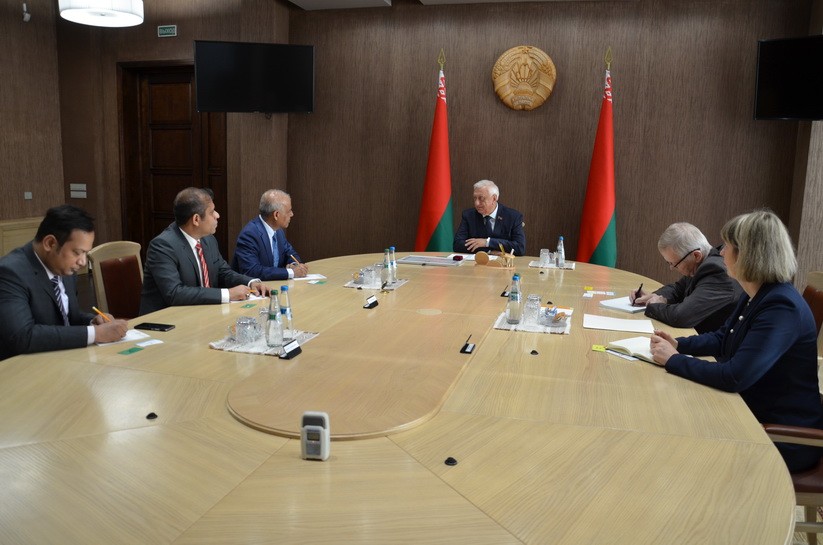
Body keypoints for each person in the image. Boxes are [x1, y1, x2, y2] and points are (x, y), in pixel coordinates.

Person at [649, 210, 823, 473]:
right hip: (750, 413)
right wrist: (679, 345)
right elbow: (723, 338)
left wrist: (674, 360)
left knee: (675, 434)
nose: (721, 252)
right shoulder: (758, 292)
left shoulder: (781, 306)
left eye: (727, 246)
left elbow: (734, 376)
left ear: (748, 254)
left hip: (782, 436)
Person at [0, 205, 128, 360]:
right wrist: (95, 334)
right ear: (50, 243)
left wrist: (92, 321)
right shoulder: (10, 272)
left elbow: (66, 318)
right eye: (77, 252)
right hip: (24, 367)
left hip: (64, 358)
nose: (83, 262)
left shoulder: (63, 266)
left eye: (86, 253)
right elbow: (22, 336)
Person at [139, 187, 270, 315]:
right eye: (212, 212)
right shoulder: (163, 246)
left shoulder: (208, 239)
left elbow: (223, 272)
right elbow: (174, 293)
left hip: (201, 313)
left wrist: (251, 282)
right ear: (196, 219)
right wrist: (228, 294)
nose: (217, 215)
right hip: (166, 320)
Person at [630, 222, 742, 333]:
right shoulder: (702, 264)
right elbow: (678, 289)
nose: (671, 268)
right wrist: (654, 296)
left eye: (674, 264)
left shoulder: (716, 271)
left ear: (696, 255)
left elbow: (681, 317)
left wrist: (655, 305)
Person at [232, 189, 308, 281]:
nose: (292, 214)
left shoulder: (278, 230)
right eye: (289, 211)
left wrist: (294, 265)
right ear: (276, 215)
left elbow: (290, 253)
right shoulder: (249, 234)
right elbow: (252, 271)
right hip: (253, 288)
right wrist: (291, 272)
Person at [453, 179, 526, 256]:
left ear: (494, 198)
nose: (476, 203)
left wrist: (488, 242)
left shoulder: (513, 216)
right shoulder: (469, 215)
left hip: (504, 262)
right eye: (475, 198)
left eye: (481, 198)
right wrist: (489, 251)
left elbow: (520, 247)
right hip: (478, 262)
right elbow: (458, 245)